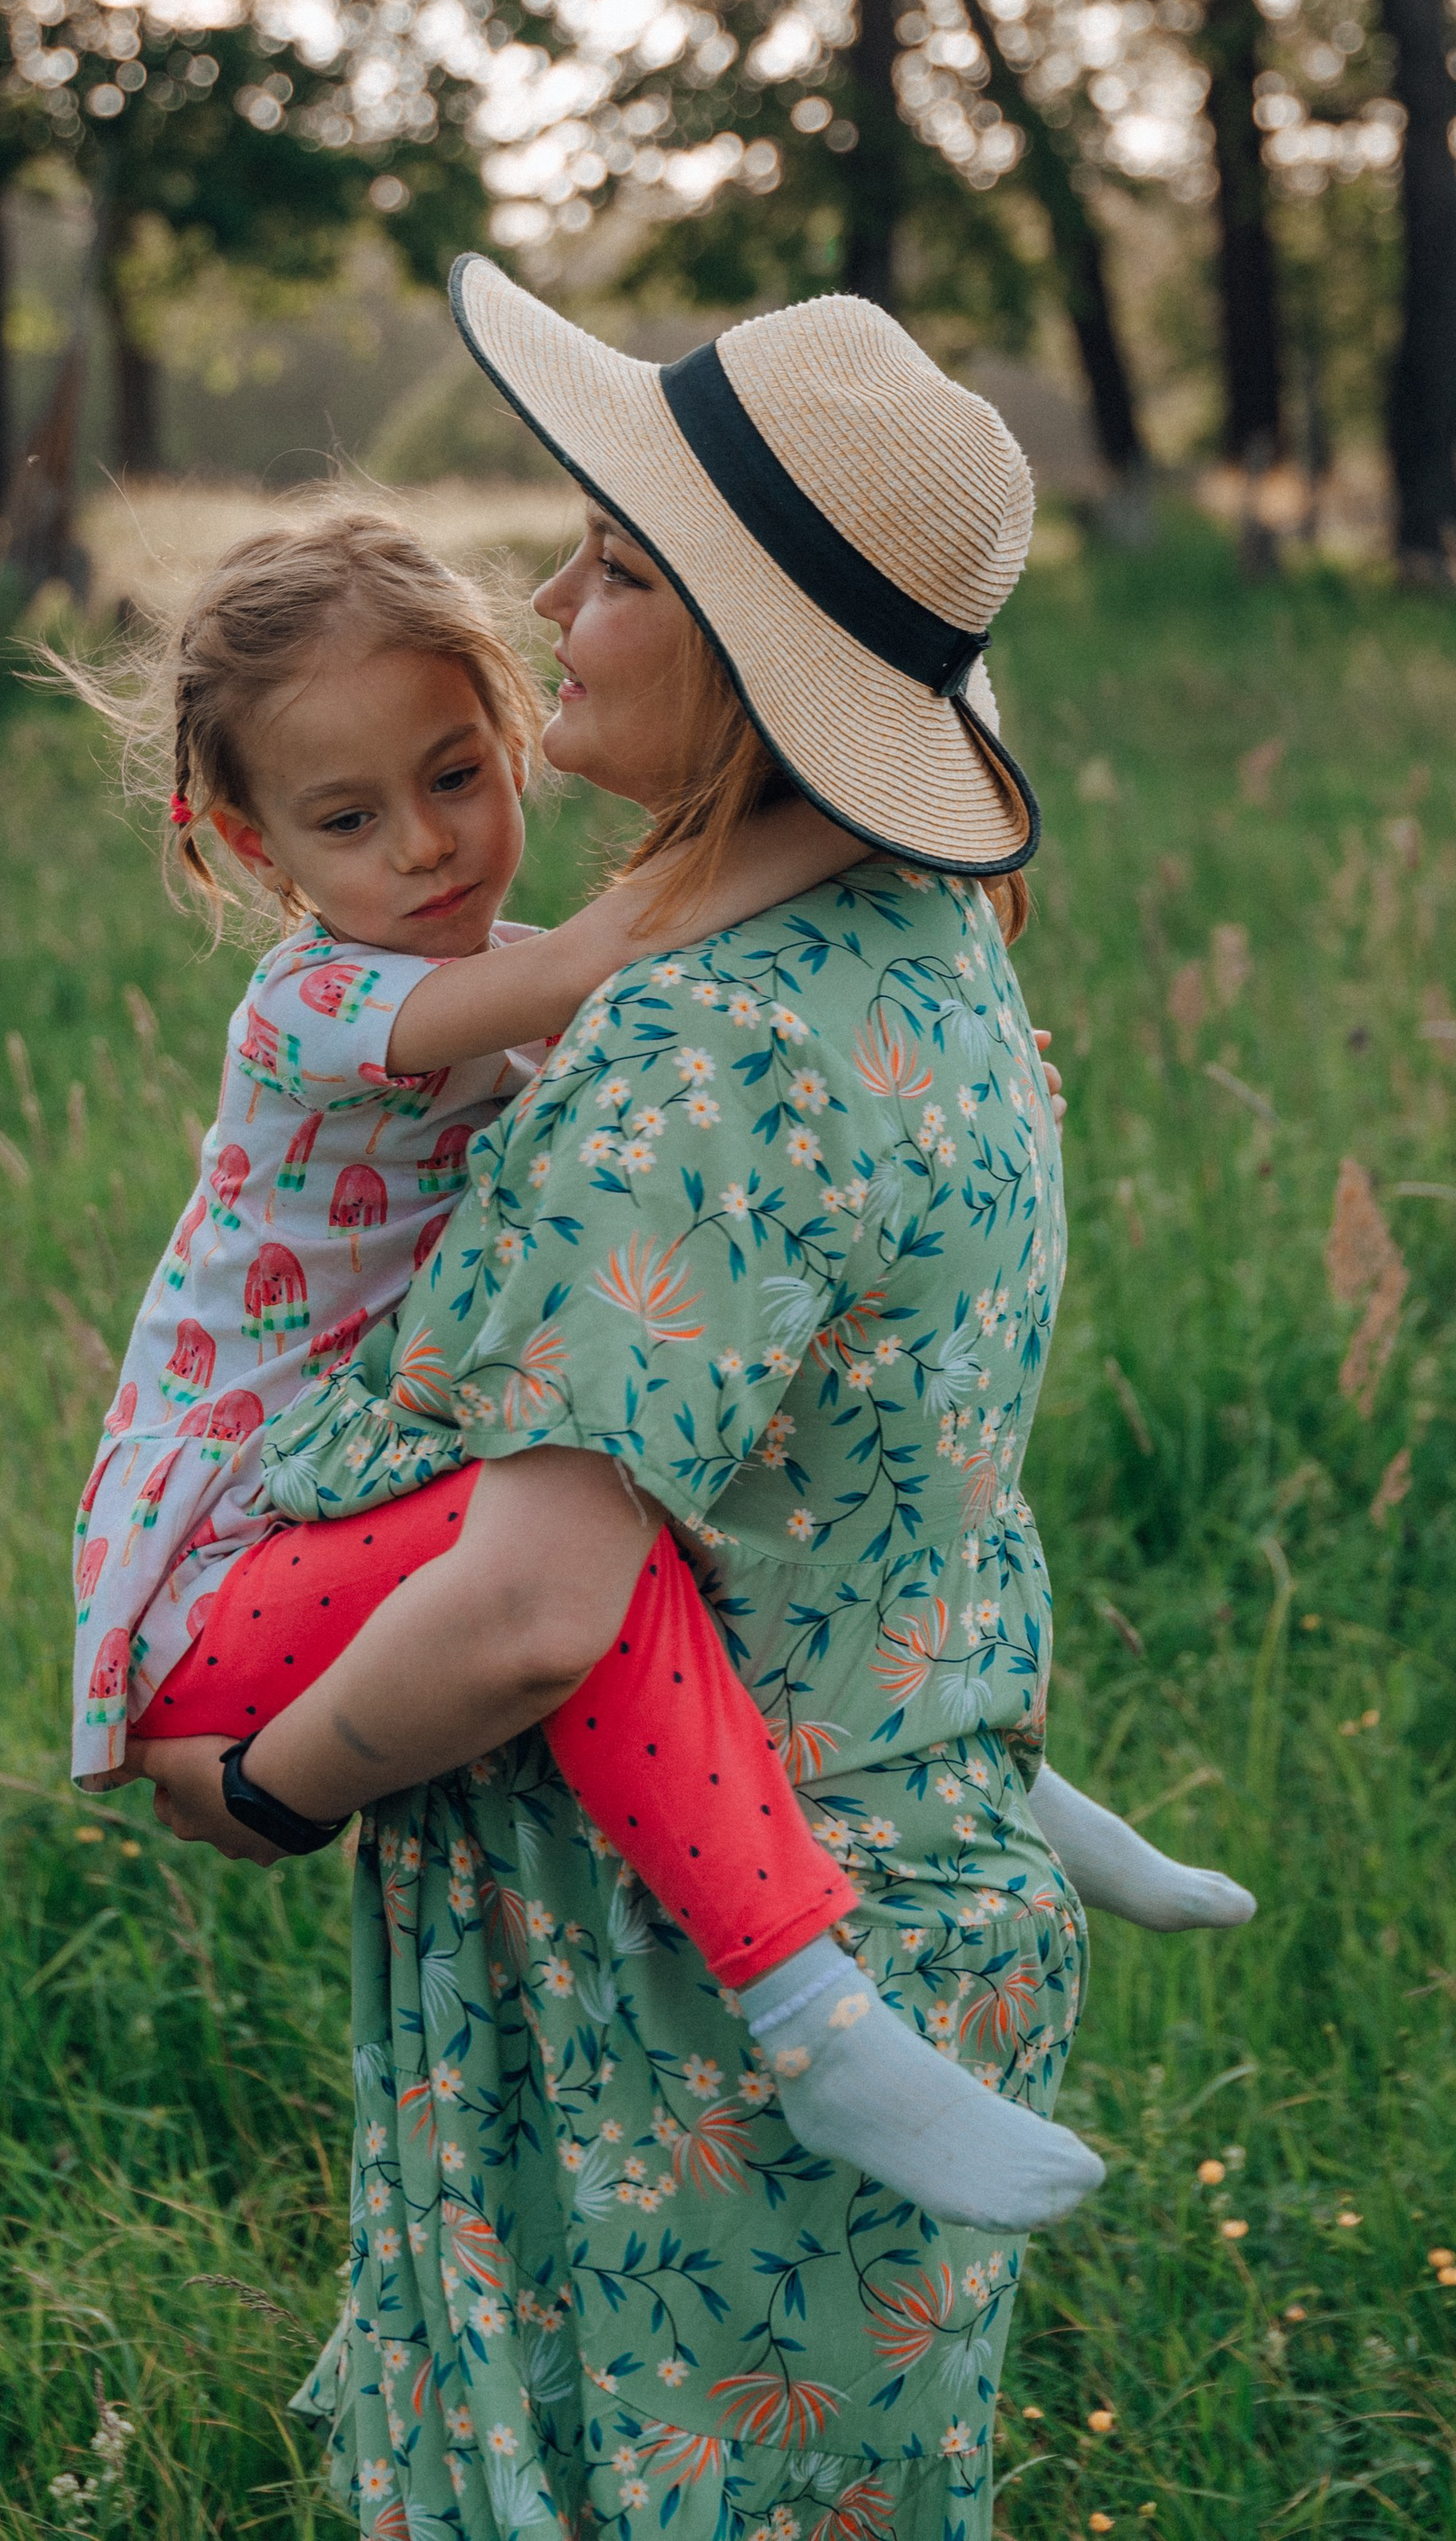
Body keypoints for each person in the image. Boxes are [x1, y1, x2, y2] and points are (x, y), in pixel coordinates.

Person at [139, 265, 1256, 2541]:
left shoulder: (687, 1050)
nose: (553, 603)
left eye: (623, 571)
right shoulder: (936, 942)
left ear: (752, 658)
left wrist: (253, 1793)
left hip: (675, 1987)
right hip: (926, 1833)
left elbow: (538, 1613)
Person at [70, 506, 1102, 2224]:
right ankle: (813, 2012)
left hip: (349, 1519)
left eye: (457, 773)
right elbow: (613, 946)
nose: (426, 846)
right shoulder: (313, 1008)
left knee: (640, 1434)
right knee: (580, 1537)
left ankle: (1005, 1770)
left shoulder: (482, 988)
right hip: (223, 1580)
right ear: (253, 853)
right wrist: (874, 806)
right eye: (348, 819)